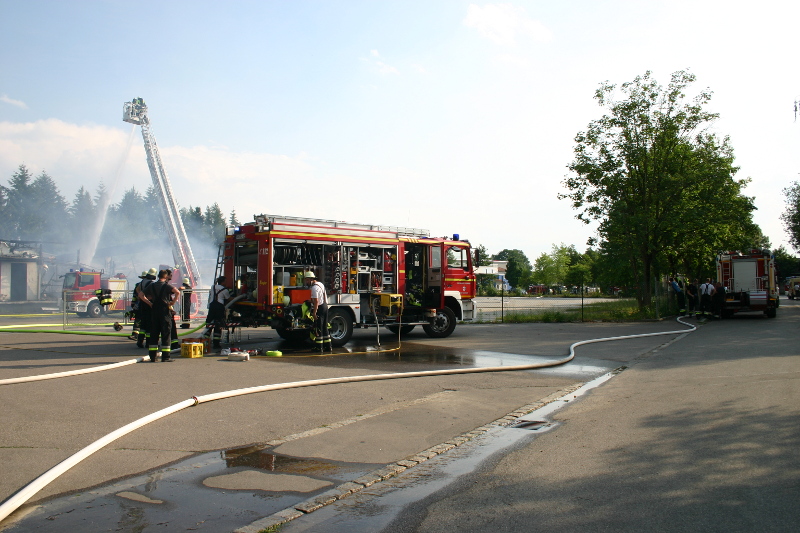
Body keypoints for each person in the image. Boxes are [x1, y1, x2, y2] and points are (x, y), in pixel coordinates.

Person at [139, 269, 180, 362]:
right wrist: (172, 302)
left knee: (154, 333)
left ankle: (152, 356)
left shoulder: (152, 285)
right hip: (165, 311)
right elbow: (177, 292)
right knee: (166, 333)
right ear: (165, 276)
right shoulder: (167, 286)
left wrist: (149, 303)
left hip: (154, 311)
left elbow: (141, 295)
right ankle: (165, 357)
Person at [304, 270, 332, 352]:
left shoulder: (314, 288)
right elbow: (320, 298)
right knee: (325, 327)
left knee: (319, 328)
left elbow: (316, 301)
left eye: (307, 280)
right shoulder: (320, 284)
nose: (307, 282)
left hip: (320, 308)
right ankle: (328, 346)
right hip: (325, 306)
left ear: (311, 279)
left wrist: (314, 313)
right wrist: (311, 301)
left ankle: (319, 347)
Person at [204, 276, 231, 349]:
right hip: (219, 308)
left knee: (209, 324)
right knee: (218, 325)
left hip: (212, 307)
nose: (226, 282)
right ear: (223, 282)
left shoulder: (213, 287)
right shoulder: (225, 290)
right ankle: (216, 344)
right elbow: (228, 298)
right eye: (225, 281)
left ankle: (205, 342)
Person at [134, 268, 158, 348]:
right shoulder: (151, 283)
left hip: (142, 304)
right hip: (148, 305)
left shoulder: (142, 282)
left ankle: (140, 342)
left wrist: (140, 297)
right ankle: (148, 343)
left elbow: (137, 290)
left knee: (143, 325)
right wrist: (149, 299)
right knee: (149, 325)